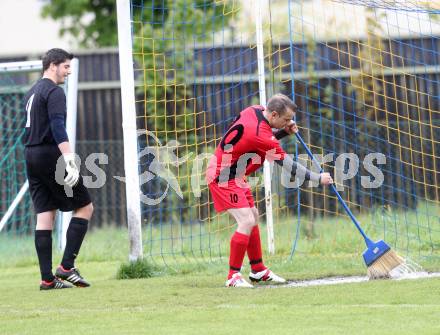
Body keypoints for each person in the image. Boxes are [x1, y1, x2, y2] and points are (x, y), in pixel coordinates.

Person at [206, 93, 333, 288]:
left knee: (254, 216)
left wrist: (284, 131)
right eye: (286, 119)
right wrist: (317, 178)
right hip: (223, 176)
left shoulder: (254, 110)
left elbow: (261, 136)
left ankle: (258, 270)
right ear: (274, 114)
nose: (289, 122)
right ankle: (233, 276)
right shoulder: (261, 135)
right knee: (246, 220)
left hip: (235, 174)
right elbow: (288, 164)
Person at [24, 48, 94, 290]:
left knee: (45, 214)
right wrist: (69, 159)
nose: (69, 71)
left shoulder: (32, 91)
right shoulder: (54, 92)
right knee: (85, 206)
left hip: (31, 154)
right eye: (65, 66)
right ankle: (66, 267)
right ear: (52, 65)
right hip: (50, 155)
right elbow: (57, 127)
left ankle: (46, 279)